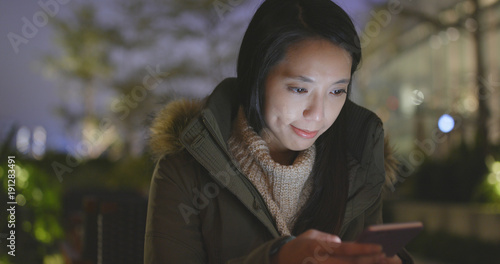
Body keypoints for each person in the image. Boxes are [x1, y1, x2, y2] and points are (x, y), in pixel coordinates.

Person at [144, 0, 413, 263]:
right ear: (257, 77)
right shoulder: (184, 169)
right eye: (299, 89)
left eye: (336, 91)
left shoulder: (359, 160)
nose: (318, 114)